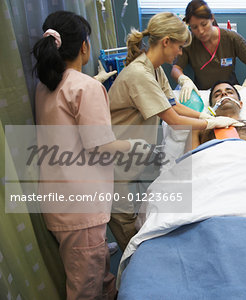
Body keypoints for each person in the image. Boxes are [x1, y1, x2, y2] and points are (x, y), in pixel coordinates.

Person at [32, 10, 145, 299]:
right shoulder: (86, 88)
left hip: (60, 202)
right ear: (84, 46)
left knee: (98, 272)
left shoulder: (44, 86)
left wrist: (92, 83)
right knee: (85, 287)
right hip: (81, 207)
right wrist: (134, 146)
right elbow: (100, 145)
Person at [108, 12, 241, 251]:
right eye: (179, 47)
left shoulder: (154, 69)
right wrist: (211, 124)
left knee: (139, 218)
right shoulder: (140, 74)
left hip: (134, 156)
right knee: (129, 231)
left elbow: (174, 104)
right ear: (166, 41)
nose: (180, 53)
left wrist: (205, 115)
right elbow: (175, 121)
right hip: (116, 160)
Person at [171, 0, 246, 102]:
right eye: (194, 27)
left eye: (204, 24)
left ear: (212, 18)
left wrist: (245, 87)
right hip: (203, 94)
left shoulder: (231, 38)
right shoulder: (189, 43)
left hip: (229, 92)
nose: (200, 31)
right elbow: (176, 68)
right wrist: (184, 80)